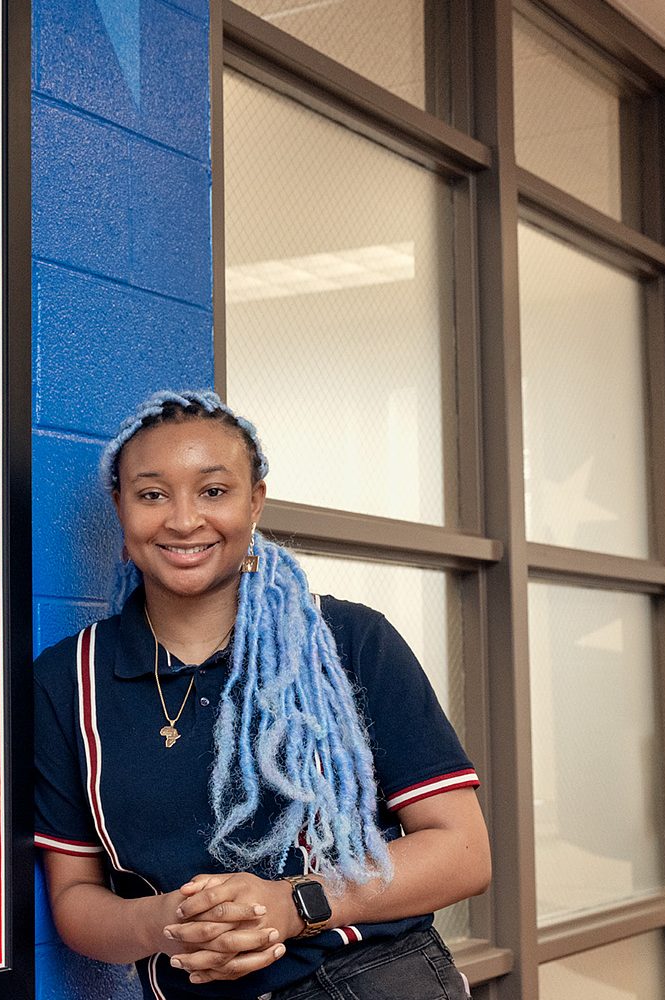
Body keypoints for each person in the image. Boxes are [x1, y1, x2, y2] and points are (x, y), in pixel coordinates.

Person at [34, 391, 490, 999]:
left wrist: (294, 904)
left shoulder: (348, 640)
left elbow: (463, 852)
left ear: (255, 502)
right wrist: (169, 923)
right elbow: (74, 897)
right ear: (120, 507)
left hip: (370, 980)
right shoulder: (68, 679)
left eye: (213, 491)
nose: (183, 520)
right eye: (152, 495)